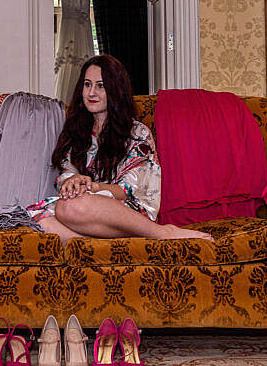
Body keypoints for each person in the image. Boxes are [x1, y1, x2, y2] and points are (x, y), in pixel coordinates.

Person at [28, 54, 213, 244]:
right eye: (87, 84)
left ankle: (161, 232)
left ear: (116, 90)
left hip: (128, 212)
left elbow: (130, 189)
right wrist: (74, 181)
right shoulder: (75, 129)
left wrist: (95, 187)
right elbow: (66, 172)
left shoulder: (137, 133)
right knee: (39, 220)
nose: (91, 93)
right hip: (84, 210)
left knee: (70, 207)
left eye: (101, 86)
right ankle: (100, 247)